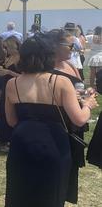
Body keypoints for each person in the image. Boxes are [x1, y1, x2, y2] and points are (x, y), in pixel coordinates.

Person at [4, 35, 98, 207]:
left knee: (20, 193)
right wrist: (89, 105)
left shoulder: (12, 83)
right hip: (53, 144)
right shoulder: (61, 81)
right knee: (51, 194)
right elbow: (78, 119)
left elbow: (11, 121)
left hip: (21, 144)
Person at [47, 29, 88, 204]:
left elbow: (79, 88)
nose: (73, 49)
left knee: (70, 171)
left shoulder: (70, 65)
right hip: (61, 124)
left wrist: (86, 94)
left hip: (75, 124)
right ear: (55, 46)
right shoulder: (46, 70)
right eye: (70, 45)